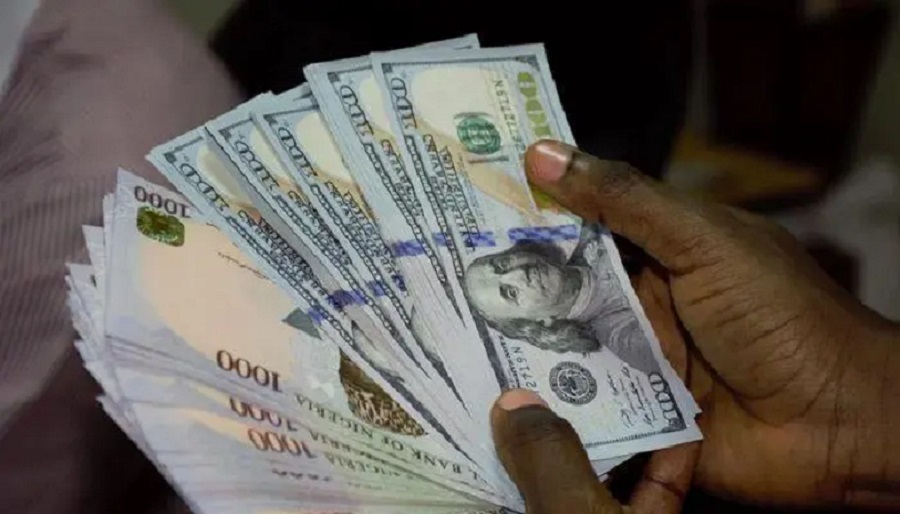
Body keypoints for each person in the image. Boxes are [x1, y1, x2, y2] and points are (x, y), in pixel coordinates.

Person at [489, 140, 900, 514]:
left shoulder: (594, 247)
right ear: (538, 323)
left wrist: (860, 395)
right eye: (509, 293)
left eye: (501, 265)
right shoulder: (617, 337)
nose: (516, 276)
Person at [464, 224, 660, 375]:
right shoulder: (628, 340)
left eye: (502, 264)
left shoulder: (592, 227)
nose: (519, 273)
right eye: (511, 293)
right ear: (542, 323)